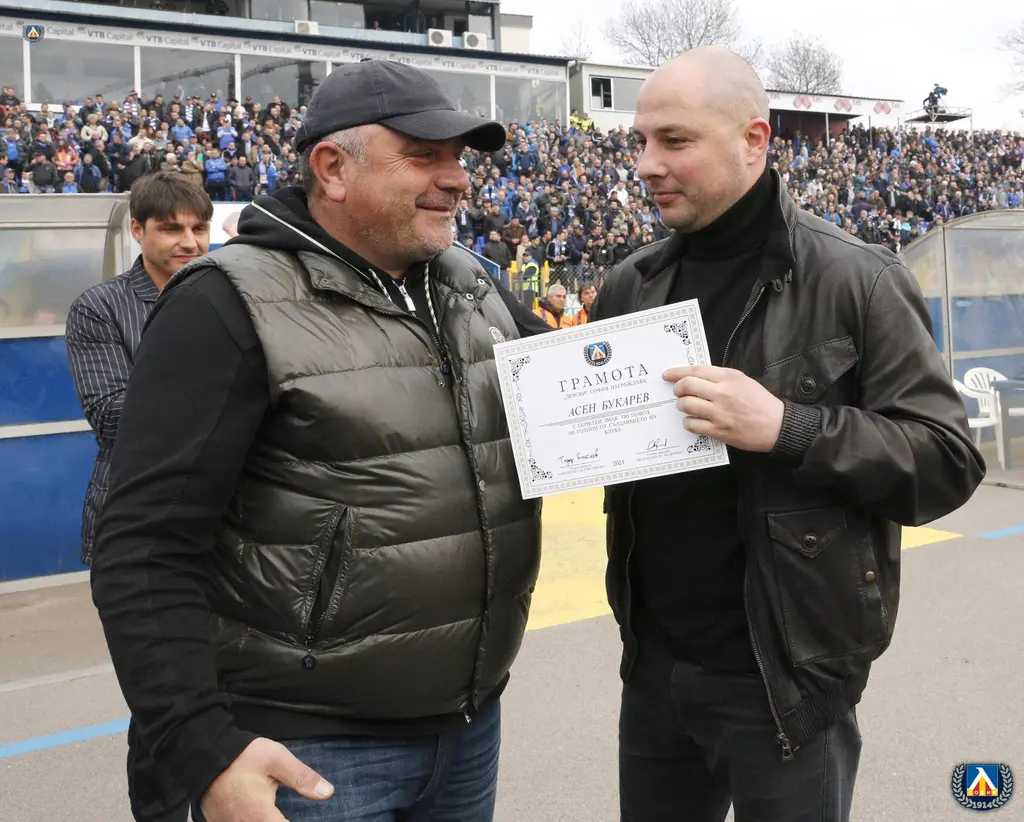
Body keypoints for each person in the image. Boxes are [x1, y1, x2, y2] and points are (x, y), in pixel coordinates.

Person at [90, 59, 549, 822]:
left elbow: (591, 401)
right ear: (333, 168)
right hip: (309, 749)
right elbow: (143, 546)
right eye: (424, 156)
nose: (456, 179)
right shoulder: (225, 304)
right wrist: (203, 749)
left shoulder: (471, 283)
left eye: (458, 158)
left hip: (468, 728)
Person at [591, 46, 985, 822]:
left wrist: (788, 427)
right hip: (655, 668)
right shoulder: (631, 284)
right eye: (640, 141)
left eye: (674, 140)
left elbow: (945, 461)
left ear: (754, 139)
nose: (646, 164)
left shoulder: (857, 278)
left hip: (785, 677)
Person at [65, 170, 212, 822]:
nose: (189, 242)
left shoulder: (226, 295)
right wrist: (224, 403)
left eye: (198, 228)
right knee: (164, 709)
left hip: (220, 528)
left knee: (222, 701)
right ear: (137, 230)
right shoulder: (100, 308)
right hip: (137, 533)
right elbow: (116, 418)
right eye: (171, 228)